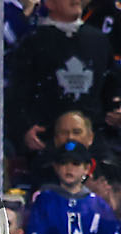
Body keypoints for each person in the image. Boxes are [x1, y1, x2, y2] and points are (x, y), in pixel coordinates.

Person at [8, 0, 112, 162]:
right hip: (47, 142)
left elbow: (111, 86)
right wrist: (24, 128)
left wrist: (115, 106)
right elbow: (17, 94)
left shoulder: (99, 41)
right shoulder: (33, 43)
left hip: (94, 142)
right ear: (49, 3)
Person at [23, 141, 119, 234]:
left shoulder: (100, 206)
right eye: (63, 163)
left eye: (76, 163)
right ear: (55, 167)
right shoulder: (44, 200)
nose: (69, 168)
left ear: (87, 168)